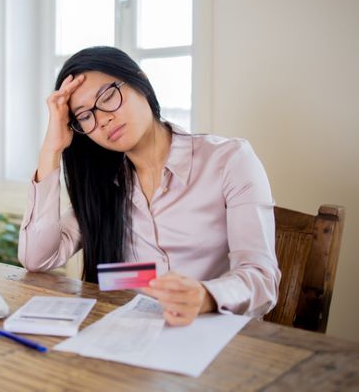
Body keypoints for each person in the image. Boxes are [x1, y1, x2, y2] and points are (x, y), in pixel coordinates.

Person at [18, 46, 281, 326]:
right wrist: (51, 149)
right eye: (84, 116)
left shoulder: (229, 160)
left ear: (140, 81)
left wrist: (206, 295)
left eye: (108, 96)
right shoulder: (103, 186)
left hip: (216, 337)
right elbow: (38, 258)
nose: (102, 118)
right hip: (131, 336)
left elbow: (261, 277)